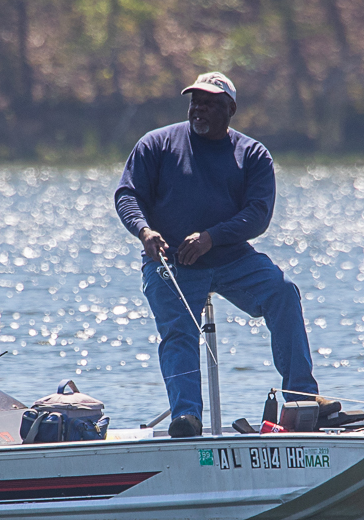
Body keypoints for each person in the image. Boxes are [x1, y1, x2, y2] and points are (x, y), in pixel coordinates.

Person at [114, 72, 317, 436]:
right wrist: (145, 231)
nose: (200, 109)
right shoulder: (156, 145)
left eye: (210, 103)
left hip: (232, 258)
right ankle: (187, 418)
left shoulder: (252, 154)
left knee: (283, 292)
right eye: (195, 101)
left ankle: (302, 401)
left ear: (231, 109)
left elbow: (258, 213)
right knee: (178, 330)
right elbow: (127, 195)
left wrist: (211, 237)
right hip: (172, 262)